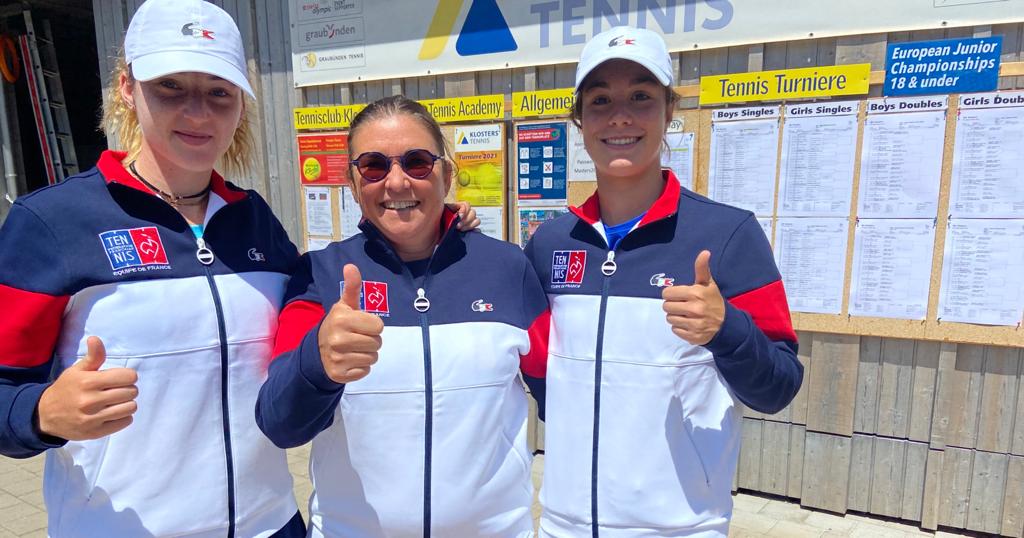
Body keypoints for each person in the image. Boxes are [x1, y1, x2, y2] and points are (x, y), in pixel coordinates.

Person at [0, 0, 474, 535]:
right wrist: (41, 413)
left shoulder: (254, 220)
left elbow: (310, 300)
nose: (198, 113)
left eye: (218, 93)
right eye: (171, 87)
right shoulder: (51, 222)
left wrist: (437, 227)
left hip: (269, 525)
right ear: (128, 87)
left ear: (240, 105)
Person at [522, 27, 804, 537]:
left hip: (680, 527)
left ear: (670, 111)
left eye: (641, 97)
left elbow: (779, 387)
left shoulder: (727, 234)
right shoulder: (550, 243)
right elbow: (542, 375)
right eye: (601, 99)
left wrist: (726, 331)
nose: (621, 116)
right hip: (565, 525)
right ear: (579, 120)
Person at [256, 95, 547, 538]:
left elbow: (567, 398)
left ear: (446, 176)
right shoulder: (318, 275)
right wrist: (317, 363)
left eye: (417, 162)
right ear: (354, 183)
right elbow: (280, 423)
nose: (396, 182)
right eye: (374, 165)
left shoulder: (508, 269)